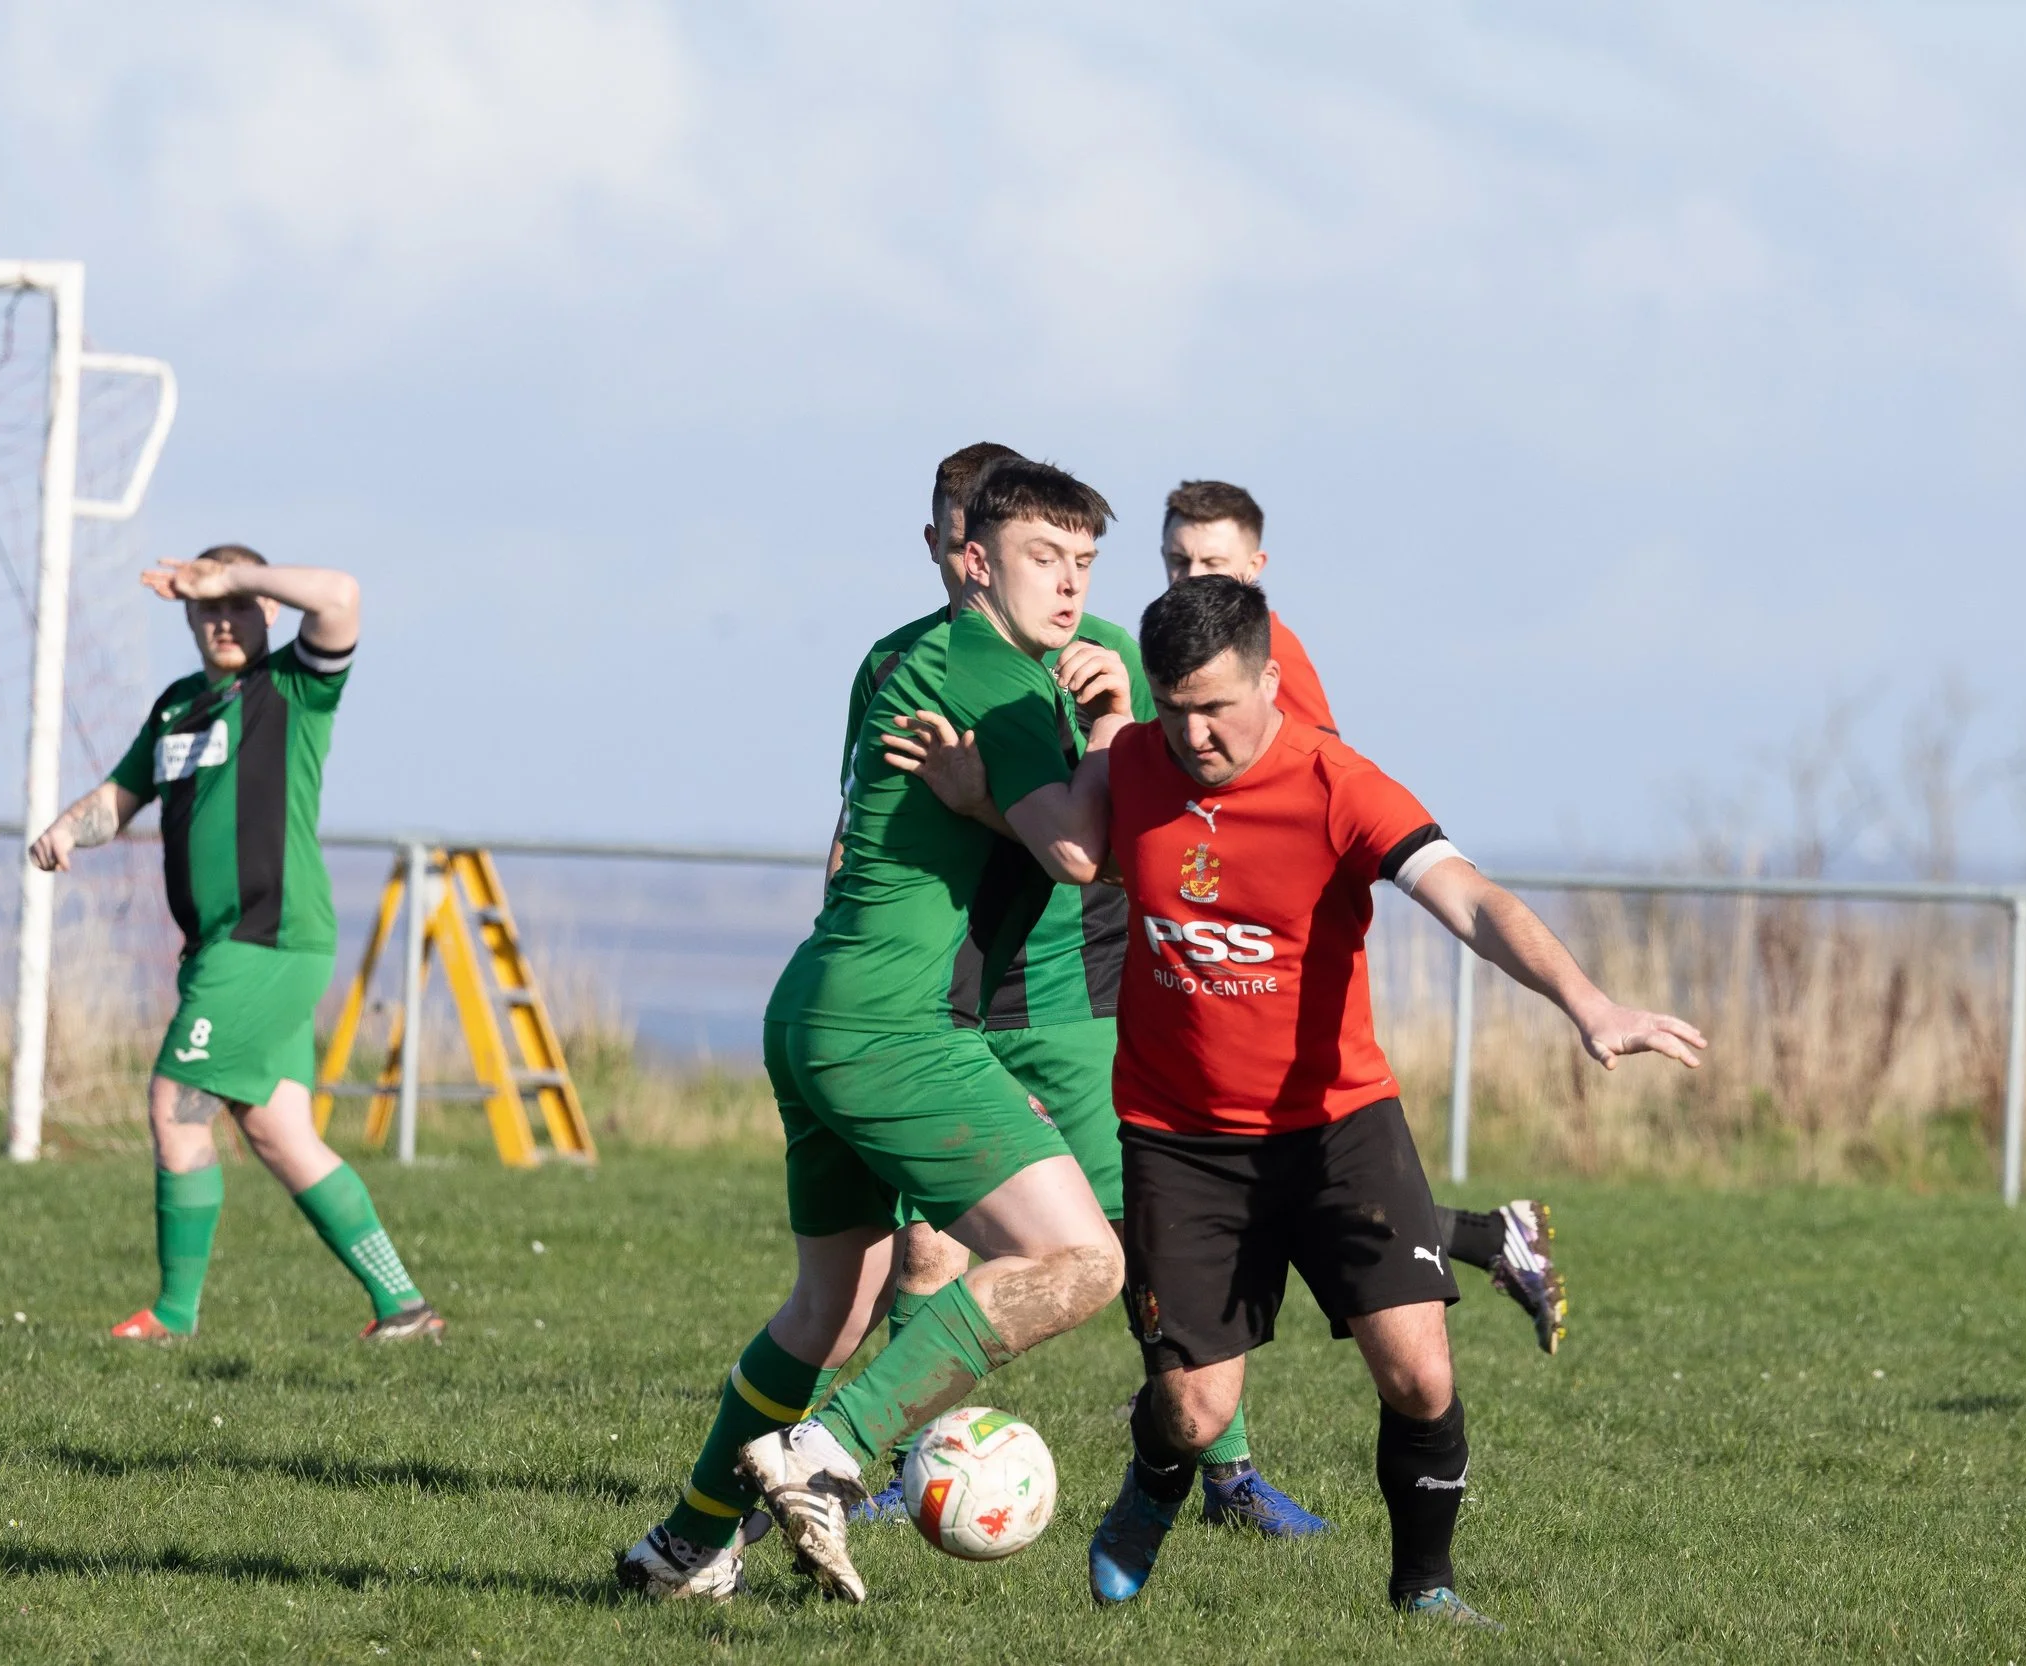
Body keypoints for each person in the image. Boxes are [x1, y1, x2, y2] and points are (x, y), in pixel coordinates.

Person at [1083, 576, 1705, 1623]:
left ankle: (1424, 1587)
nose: (1192, 731)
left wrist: (1585, 1002)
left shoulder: (1336, 785)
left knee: (1418, 1372)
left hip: (1338, 1128)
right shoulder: (1129, 765)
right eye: (1172, 705)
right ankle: (1150, 1489)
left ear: (1270, 681)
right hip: (1179, 1141)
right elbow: (1049, 828)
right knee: (1194, 1412)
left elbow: (1470, 897)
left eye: (1216, 706)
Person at [617, 458, 1130, 1605]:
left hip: (818, 1001)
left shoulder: (913, 657)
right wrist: (1111, 727)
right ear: (973, 559)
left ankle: (686, 1546)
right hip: (896, 1023)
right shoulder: (1000, 679)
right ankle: (826, 1451)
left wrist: (980, 796)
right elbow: (1081, 855)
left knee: (830, 1306)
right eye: (1043, 558)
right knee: (1084, 1258)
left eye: (1085, 561)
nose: (1068, 585)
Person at [843, 445, 1327, 1537]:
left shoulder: (1106, 652)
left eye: (1066, 559)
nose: (996, 573)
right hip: (946, 1003)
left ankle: (1228, 1471)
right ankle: (894, 1464)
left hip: (1078, 998)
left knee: (1144, 1236)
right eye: (965, 543)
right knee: (930, 1247)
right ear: (946, 548)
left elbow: (1159, 802)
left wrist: (1112, 723)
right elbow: (860, 810)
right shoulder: (892, 662)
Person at [1159, 479, 1569, 1352]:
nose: (1190, 576)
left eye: (1212, 562)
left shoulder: (1273, 659)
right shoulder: (1166, 651)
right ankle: (1493, 1236)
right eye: (1176, 560)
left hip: (1249, 947)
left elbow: (1315, 788)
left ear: (1257, 568)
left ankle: (1197, 1428)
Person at [28, 546, 442, 1344]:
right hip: (222, 950)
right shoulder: (177, 706)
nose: (223, 621)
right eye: (207, 609)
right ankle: (405, 1307)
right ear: (186, 617)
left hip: (267, 939)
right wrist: (66, 828)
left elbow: (344, 594)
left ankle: (174, 1315)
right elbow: (121, 797)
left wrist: (235, 575)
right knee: (281, 1135)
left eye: (237, 607)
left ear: (266, 611)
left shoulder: (292, 685)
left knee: (175, 1104)